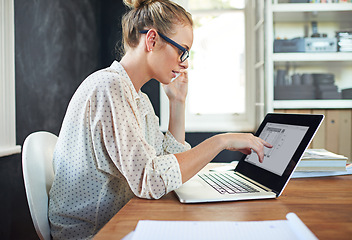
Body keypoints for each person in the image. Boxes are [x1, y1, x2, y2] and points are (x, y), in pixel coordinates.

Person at [48, 0, 272, 239]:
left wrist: (177, 102)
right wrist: (221, 141)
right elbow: (151, 179)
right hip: (94, 232)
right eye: (182, 50)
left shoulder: (137, 97)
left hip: (119, 219)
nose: (185, 63)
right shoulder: (109, 87)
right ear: (152, 40)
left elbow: (164, 162)